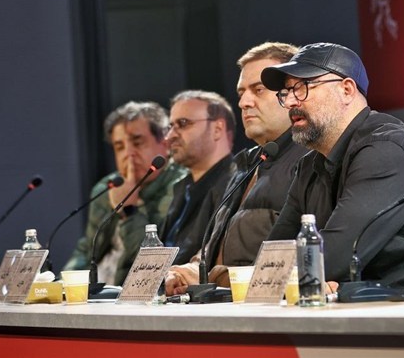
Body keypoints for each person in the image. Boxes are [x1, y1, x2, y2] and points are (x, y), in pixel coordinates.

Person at [262, 43, 404, 295]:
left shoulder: (385, 150)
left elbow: (332, 258)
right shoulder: (309, 166)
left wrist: (301, 277)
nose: (290, 101)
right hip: (383, 303)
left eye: (302, 87)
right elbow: (272, 261)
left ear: (346, 90)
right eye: (286, 92)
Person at [165, 42, 308, 295]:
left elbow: (309, 259)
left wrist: (214, 277)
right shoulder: (246, 165)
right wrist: (188, 269)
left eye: (258, 89)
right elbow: (214, 247)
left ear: (294, 93)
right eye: (241, 92)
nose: (244, 102)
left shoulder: (313, 160)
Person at [64, 101, 186, 285]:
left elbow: (155, 264)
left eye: (137, 142)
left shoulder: (181, 186)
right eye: (119, 147)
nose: (128, 153)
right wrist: (64, 284)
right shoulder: (106, 188)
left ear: (164, 143)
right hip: (97, 289)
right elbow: (88, 250)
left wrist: (129, 211)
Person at [161, 90, 237, 265]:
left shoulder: (237, 184)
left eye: (183, 123)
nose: (170, 136)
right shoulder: (182, 187)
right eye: (170, 127)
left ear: (217, 129)